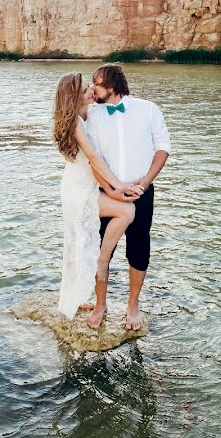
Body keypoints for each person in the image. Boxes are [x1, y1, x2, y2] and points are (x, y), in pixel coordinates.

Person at [52, 72, 143, 328]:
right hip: (79, 191)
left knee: (76, 243)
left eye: (89, 86)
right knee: (126, 212)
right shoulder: (76, 123)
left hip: (80, 187)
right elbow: (93, 157)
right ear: (73, 98)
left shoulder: (84, 117)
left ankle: (77, 294)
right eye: (84, 90)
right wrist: (119, 186)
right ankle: (101, 261)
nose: (91, 90)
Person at [86, 63, 170, 331]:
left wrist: (144, 183)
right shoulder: (94, 117)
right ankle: (101, 304)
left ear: (112, 85)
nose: (93, 88)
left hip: (142, 192)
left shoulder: (148, 109)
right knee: (101, 252)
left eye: (96, 83)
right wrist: (114, 189)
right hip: (107, 194)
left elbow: (163, 148)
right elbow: (95, 160)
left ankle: (132, 305)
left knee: (139, 249)